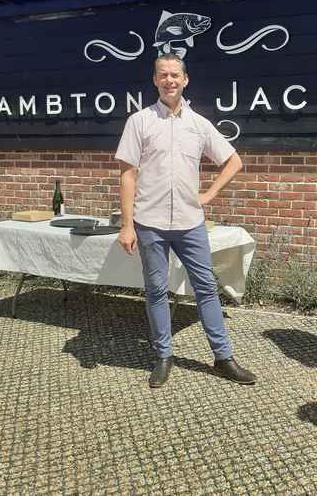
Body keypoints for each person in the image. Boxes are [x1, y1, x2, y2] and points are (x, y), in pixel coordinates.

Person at [115, 53, 257, 388]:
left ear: (185, 79)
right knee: (156, 290)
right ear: (154, 80)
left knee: (206, 287)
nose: (169, 80)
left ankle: (223, 358)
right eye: (162, 75)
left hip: (190, 223)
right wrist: (126, 224)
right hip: (149, 222)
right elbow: (127, 174)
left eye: (175, 75)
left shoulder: (199, 125)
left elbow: (233, 161)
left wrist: (208, 195)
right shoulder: (140, 122)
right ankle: (164, 356)